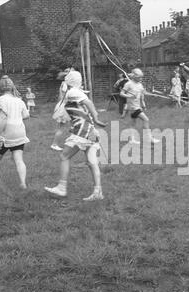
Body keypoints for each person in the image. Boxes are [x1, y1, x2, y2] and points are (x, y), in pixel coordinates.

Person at [45, 71, 107, 201]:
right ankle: (98, 192)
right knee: (91, 162)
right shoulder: (74, 92)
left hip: (82, 130)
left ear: (69, 81)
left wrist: (96, 117)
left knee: (64, 156)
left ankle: (62, 188)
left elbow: (88, 103)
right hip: (90, 131)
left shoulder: (72, 92)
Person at [120, 68, 160, 145]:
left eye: (141, 77)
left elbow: (143, 92)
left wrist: (153, 95)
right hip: (133, 107)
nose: (141, 79)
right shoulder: (128, 84)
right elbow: (121, 93)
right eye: (139, 77)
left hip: (137, 106)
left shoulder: (140, 84)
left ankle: (131, 140)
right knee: (146, 120)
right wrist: (129, 96)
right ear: (134, 76)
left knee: (133, 124)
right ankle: (150, 139)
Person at [51, 68, 73, 151]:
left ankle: (72, 141)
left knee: (73, 125)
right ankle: (54, 144)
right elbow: (67, 96)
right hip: (64, 107)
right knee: (61, 127)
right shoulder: (65, 84)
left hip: (64, 106)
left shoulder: (66, 84)